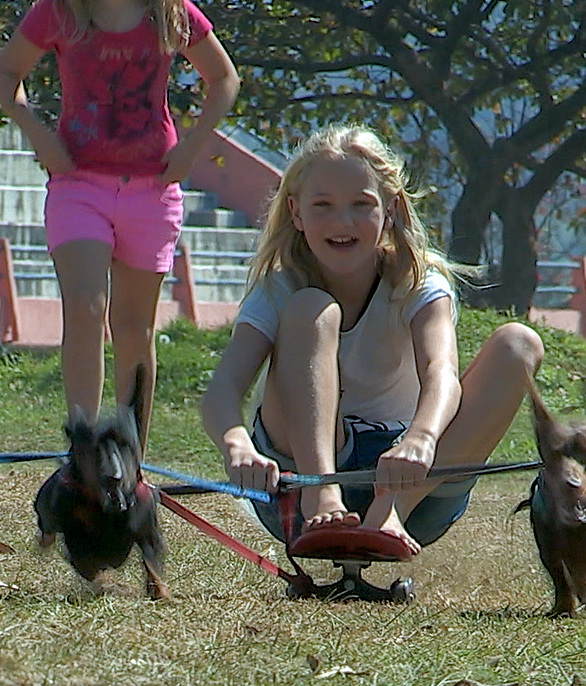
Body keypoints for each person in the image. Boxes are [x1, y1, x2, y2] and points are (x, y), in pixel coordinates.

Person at [201, 125, 544, 557]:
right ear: (296, 212)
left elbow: (442, 373)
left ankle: (389, 512)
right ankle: (322, 495)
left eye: (361, 205)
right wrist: (237, 447)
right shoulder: (279, 289)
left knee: (519, 344)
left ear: (391, 208)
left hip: (413, 480)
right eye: (322, 205)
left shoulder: (420, 282)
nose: (342, 223)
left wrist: (420, 438)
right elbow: (222, 389)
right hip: (299, 488)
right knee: (311, 307)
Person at [0, 0, 239, 444]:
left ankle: (130, 460)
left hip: (153, 186)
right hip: (78, 184)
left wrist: (191, 147)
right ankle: (83, 449)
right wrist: (37, 133)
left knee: (132, 328)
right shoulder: (60, 8)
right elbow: (5, 73)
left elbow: (224, 79)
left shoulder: (169, 7)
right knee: (84, 307)